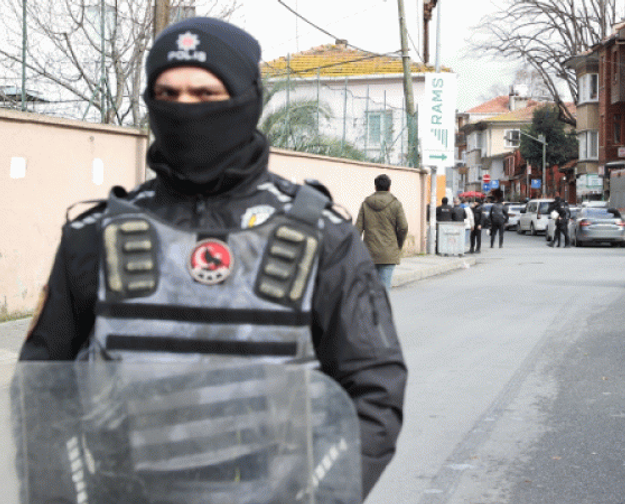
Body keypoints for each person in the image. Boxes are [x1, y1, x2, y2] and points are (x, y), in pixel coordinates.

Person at [17, 17, 406, 501]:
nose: (184, 109)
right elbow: (42, 395)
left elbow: (374, 390)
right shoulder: (94, 237)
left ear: (248, 101)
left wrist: (323, 497)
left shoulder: (322, 237)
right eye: (168, 94)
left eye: (204, 95)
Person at [355, 174, 409, 291]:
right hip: (388, 253)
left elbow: (357, 230)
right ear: (389, 188)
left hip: (369, 253)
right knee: (384, 290)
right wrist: (398, 244)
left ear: (375, 187)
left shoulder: (365, 204)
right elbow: (403, 227)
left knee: (370, 290)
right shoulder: (396, 204)